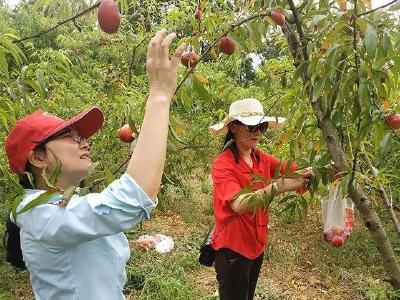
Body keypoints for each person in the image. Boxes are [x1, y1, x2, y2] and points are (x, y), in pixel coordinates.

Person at [3, 29, 186, 300]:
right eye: (71, 136)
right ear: (38, 157)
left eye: (83, 136)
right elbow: (133, 198)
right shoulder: (39, 213)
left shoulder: (65, 203)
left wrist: (131, 242)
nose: (84, 142)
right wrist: (159, 94)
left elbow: (84, 242)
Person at [208, 98, 314, 300]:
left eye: (262, 126)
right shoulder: (223, 164)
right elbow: (239, 204)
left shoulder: (260, 157)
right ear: (233, 128)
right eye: (250, 126)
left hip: (256, 243)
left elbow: (293, 170)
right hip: (233, 250)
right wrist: (278, 187)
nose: (257, 132)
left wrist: (323, 170)